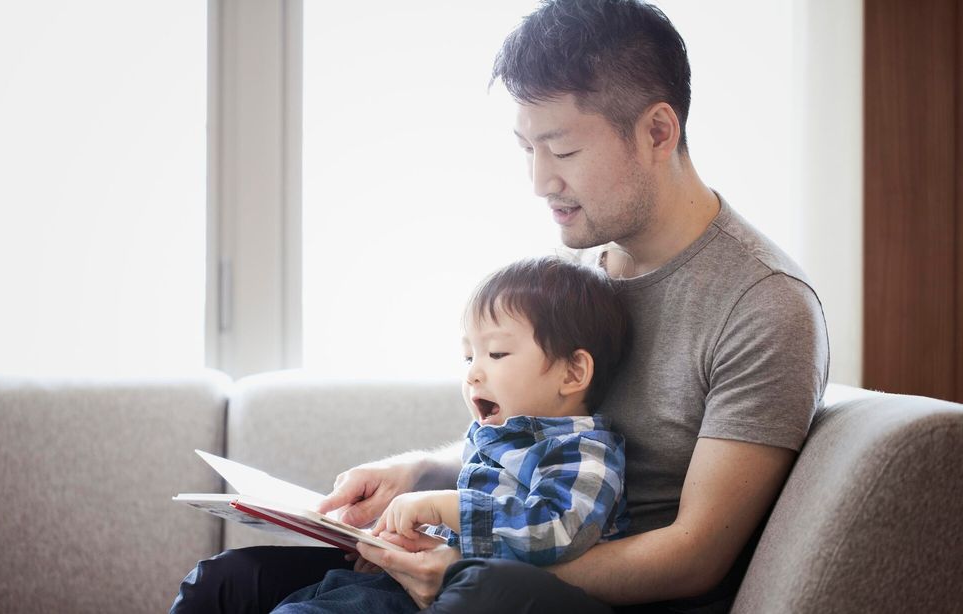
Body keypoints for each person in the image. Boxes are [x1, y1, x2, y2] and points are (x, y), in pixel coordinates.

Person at [171, 0, 829, 612]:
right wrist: (417, 471)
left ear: (658, 131)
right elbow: (533, 452)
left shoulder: (763, 308)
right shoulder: (573, 274)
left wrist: (460, 570)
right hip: (490, 566)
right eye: (527, 148)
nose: (540, 181)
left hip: (588, 595)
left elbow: (695, 558)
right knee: (231, 584)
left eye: (563, 150)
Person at [270, 256, 632, 612]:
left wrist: (447, 506)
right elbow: (476, 535)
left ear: (572, 373)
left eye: (496, 353)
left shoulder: (583, 452)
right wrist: (400, 544)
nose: (473, 373)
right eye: (468, 357)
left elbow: (555, 529)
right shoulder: (495, 438)